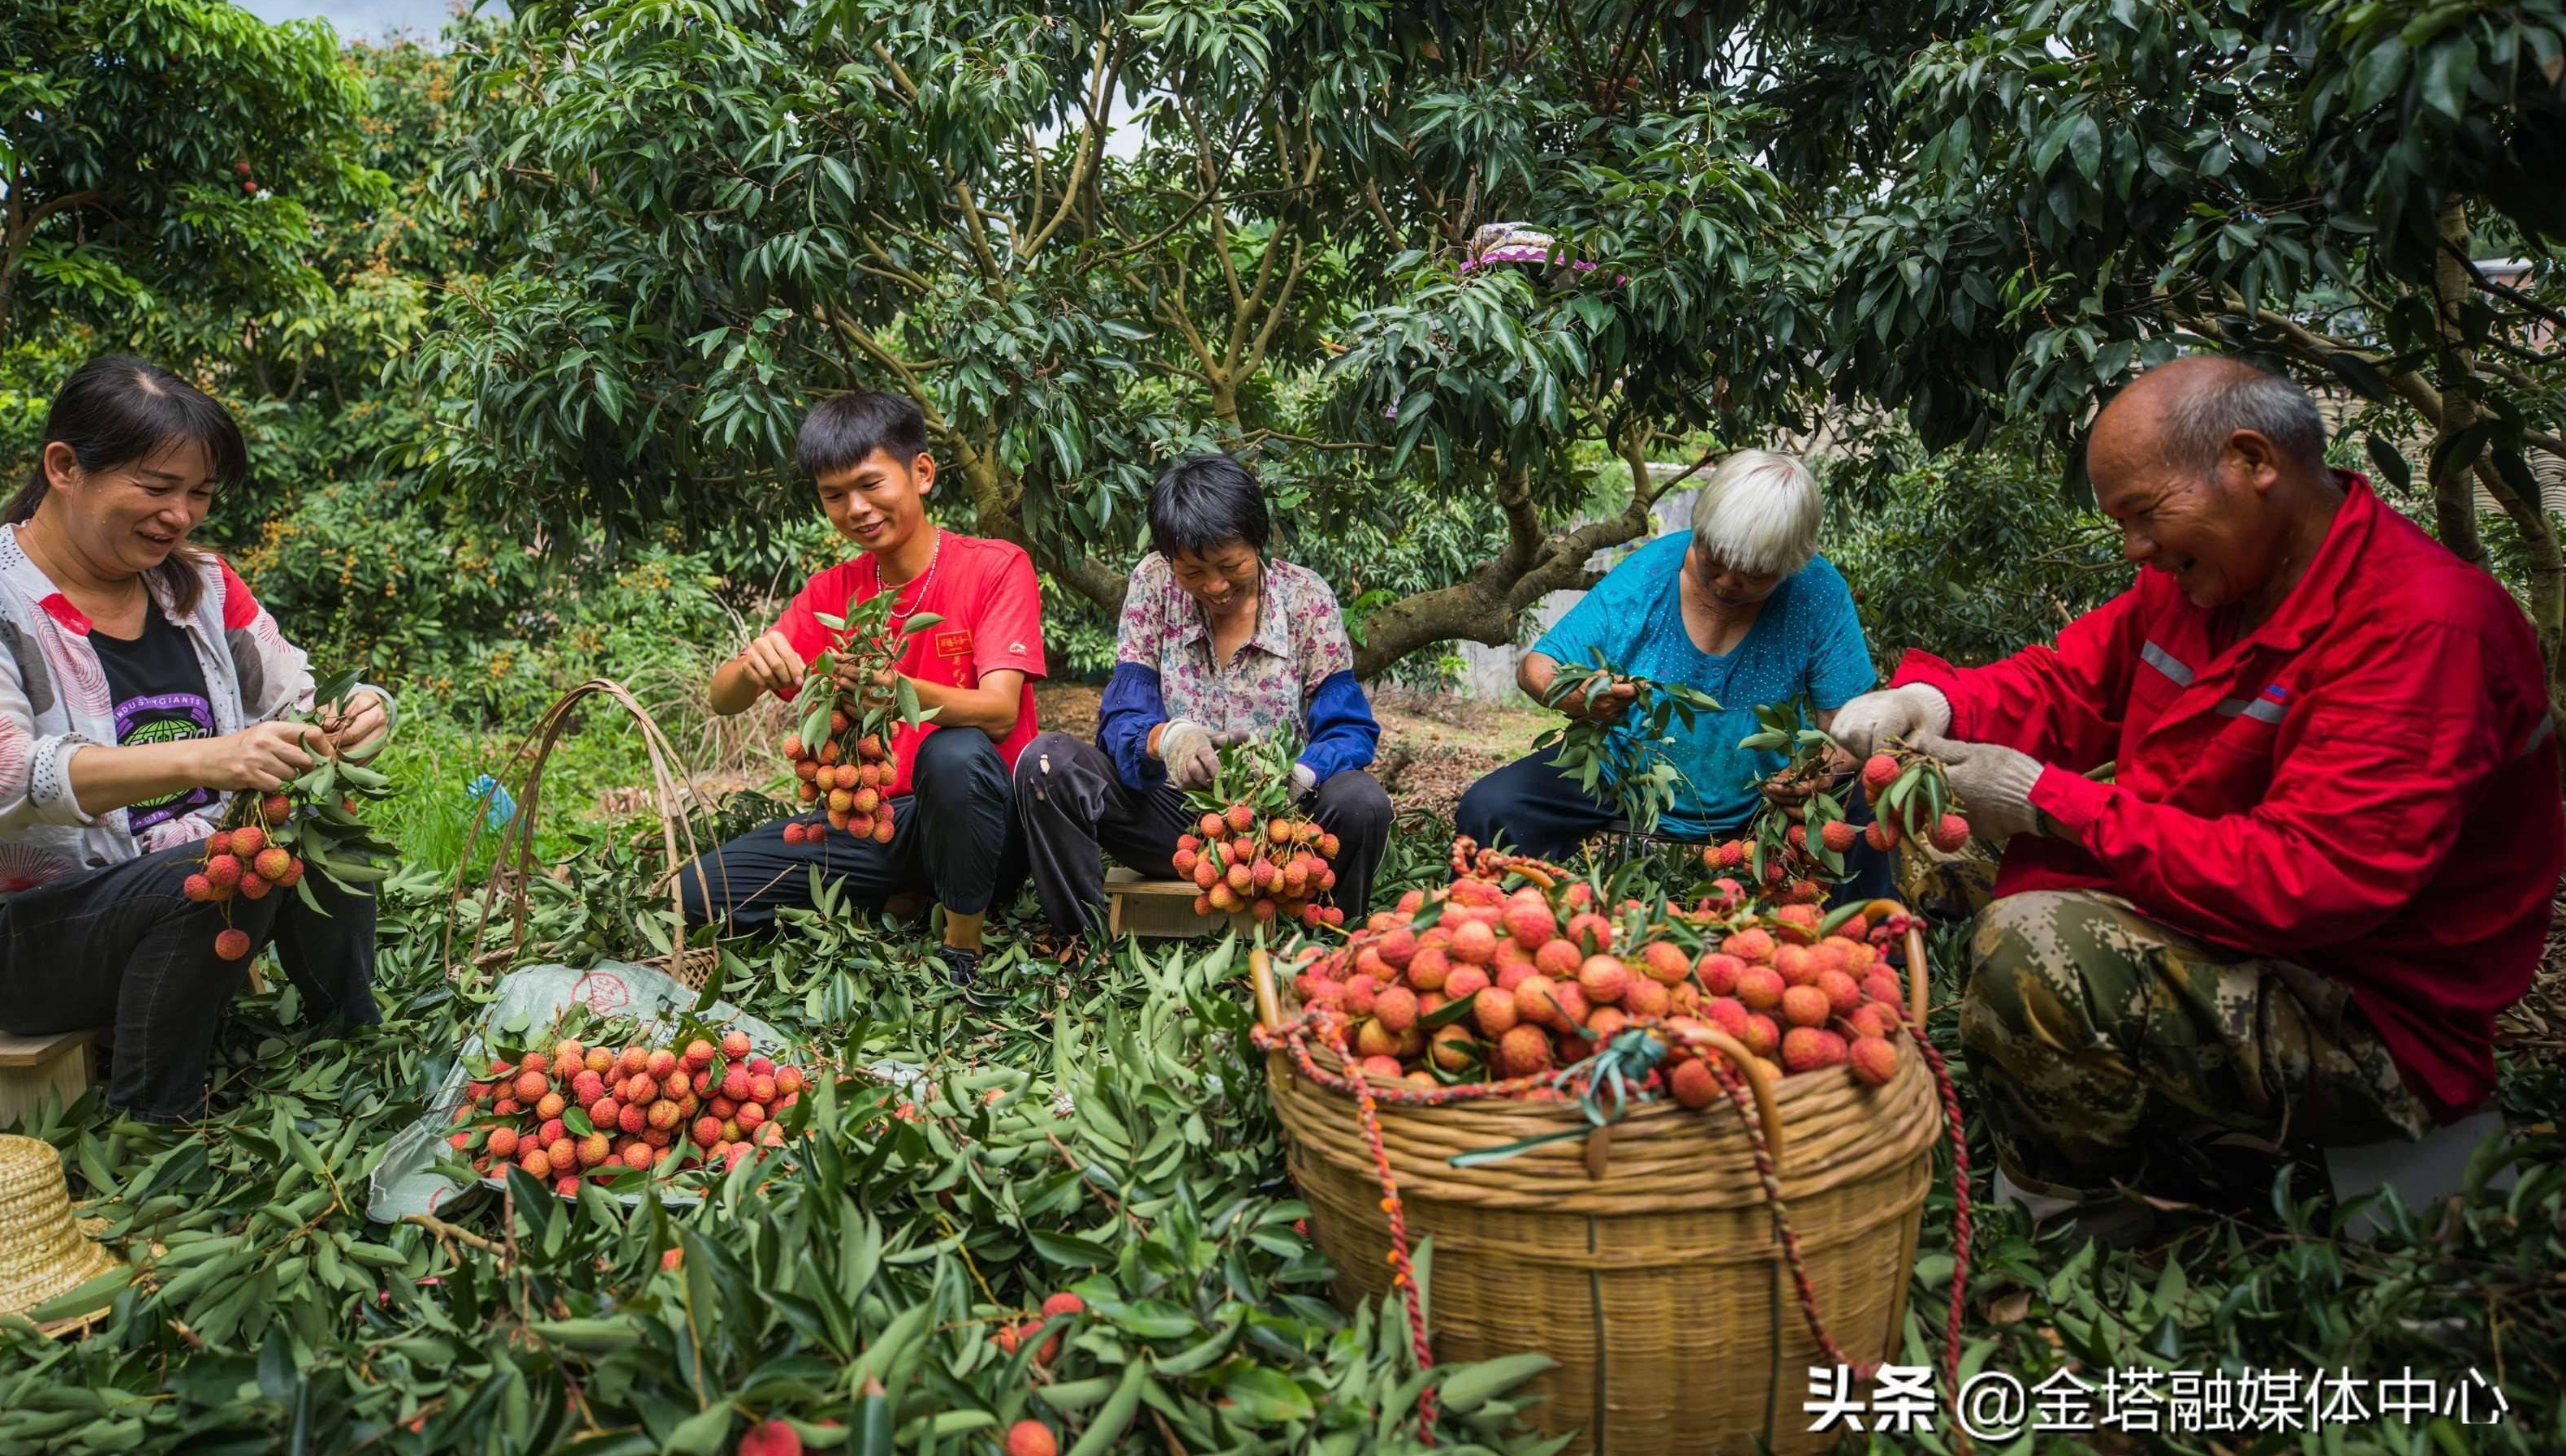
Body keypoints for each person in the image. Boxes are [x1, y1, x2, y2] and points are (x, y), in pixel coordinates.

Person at [1831, 356, 2563, 1224]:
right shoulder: (2205, 583)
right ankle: (2163, 1096)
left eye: (2145, 514)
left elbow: (2309, 881)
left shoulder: (2424, 629)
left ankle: (2079, 1205)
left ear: (2253, 462)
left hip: (2361, 1011)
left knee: (2033, 944)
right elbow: (2069, 682)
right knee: (1926, 819)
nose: (2137, 548)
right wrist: (1936, 700)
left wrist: (2048, 802)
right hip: (2223, 902)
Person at [0, 355, 394, 1125]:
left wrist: (362, 713)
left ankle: (353, 1047)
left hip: (169, 890)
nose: (180, 515)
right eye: (156, 488)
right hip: (12, 939)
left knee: (319, 835)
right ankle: (159, 1126)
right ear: (64, 467)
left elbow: (297, 700)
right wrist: (205, 757)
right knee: (220, 875)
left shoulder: (203, 587)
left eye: (199, 494)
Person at [685, 392, 1045, 989]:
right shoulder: (833, 592)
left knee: (953, 753)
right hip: (877, 821)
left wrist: (894, 691)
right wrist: (751, 666)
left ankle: (963, 947)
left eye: (870, 484)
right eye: (833, 495)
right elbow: (721, 699)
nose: (855, 508)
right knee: (694, 895)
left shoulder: (996, 567)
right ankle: (891, 897)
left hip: (986, 823)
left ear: (922, 473)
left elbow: (1001, 714)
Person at [1455, 450, 1891, 895]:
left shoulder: (1817, 593)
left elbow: (1849, 727)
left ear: (1791, 564)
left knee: (1873, 811)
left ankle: (1873, 953)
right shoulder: (1650, 574)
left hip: (1766, 796)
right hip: (1624, 774)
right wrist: (1575, 695)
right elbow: (1537, 667)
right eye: (1713, 560)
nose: (1724, 584)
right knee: (1493, 807)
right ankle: (1479, 935)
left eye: (1753, 577)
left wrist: (1817, 772)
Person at [1017, 453, 1393, 930]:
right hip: (1175, 826)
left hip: (1282, 828)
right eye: (1192, 572)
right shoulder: (1153, 585)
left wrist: (1297, 774)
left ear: (1258, 542)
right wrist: (1170, 741)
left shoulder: (1306, 598)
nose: (1214, 586)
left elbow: (1349, 728)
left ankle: (1325, 936)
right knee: (1048, 762)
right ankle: (1080, 941)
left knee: (1362, 802)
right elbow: (1122, 720)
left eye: (1229, 565)